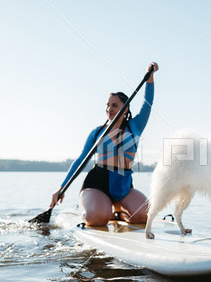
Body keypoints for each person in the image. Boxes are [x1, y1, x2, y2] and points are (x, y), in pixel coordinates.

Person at [50, 62, 159, 226]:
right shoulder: (97, 132)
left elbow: (147, 103)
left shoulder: (135, 127)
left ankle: (118, 211)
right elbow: (81, 160)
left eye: (114, 105)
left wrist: (150, 79)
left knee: (145, 215)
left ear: (126, 108)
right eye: (108, 105)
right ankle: (96, 210)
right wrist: (61, 187)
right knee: (99, 217)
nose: (110, 109)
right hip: (97, 183)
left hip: (123, 184)